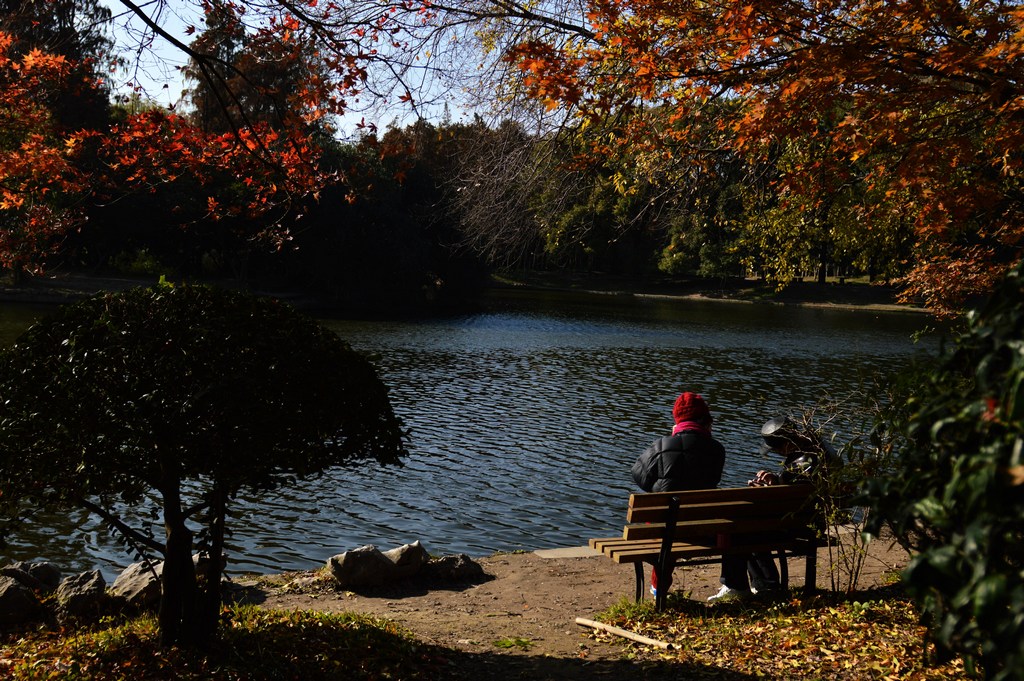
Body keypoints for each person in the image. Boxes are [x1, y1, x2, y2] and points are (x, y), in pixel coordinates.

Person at [709, 416, 838, 601]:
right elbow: (797, 489)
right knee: (750, 527)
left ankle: (757, 584)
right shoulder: (817, 452)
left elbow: (786, 502)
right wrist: (776, 481)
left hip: (797, 528)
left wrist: (764, 492)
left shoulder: (799, 462)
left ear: (785, 445)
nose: (777, 453)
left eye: (777, 449)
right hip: (814, 521)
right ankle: (766, 583)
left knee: (742, 529)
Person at [631, 391, 726, 597]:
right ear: (705, 420)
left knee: (667, 518)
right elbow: (712, 480)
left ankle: (659, 588)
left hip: (665, 531)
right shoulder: (717, 449)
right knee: (679, 515)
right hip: (703, 530)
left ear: (678, 419)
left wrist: (660, 484)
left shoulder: (661, 446)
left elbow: (640, 477)